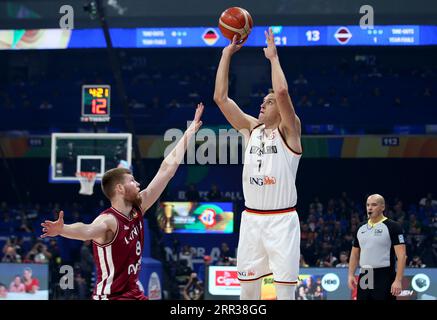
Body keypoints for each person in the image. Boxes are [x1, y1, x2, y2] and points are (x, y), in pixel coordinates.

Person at [41, 104, 204, 300]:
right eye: (132, 181)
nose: (138, 183)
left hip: (134, 294)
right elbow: (86, 230)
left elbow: (166, 171)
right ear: (119, 188)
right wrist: (62, 229)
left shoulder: (138, 207)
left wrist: (189, 133)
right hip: (111, 297)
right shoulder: (108, 221)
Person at [213, 28, 302, 300]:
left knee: (285, 294)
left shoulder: (290, 131)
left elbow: (283, 91)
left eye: (269, 102)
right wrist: (226, 53)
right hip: (252, 220)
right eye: (263, 101)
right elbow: (220, 98)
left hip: (282, 220)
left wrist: (273, 58)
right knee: (247, 295)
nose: (263, 104)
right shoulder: (250, 129)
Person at [348, 194, 407, 300]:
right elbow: (354, 253)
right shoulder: (360, 227)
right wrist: (351, 274)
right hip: (365, 274)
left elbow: (402, 256)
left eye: (374, 205)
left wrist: (398, 280)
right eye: (368, 205)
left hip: (384, 274)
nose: (370, 208)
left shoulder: (393, 226)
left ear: (382, 207)